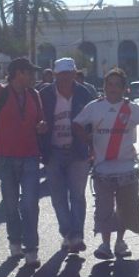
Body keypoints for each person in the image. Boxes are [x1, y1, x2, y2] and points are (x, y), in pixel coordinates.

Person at [73, 68, 139, 260]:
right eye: (108, 84)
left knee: (125, 206)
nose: (112, 88)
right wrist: (87, 139)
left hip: (126, 166)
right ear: (104, 87)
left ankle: (120, 242)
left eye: (116, 85)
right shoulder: (94, 107)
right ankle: (105, 244)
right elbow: (77, 123)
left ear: (123, 88)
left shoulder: (131, 108)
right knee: (104, 207)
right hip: (102, 167)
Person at [0, 49, 48, 268]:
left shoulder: (34, 95)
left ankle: (32, 249)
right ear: (18, 73)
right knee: (10, 204)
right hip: (6, 157)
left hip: (30, 157)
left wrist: (42, 126)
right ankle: (15, 242)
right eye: (30, 73)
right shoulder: (0, 92)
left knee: (29, 204)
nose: (33, 77)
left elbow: (41, 121)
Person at [39, 57, 95, 254]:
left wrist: (93, 145)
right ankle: (67, 233)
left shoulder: (84, 93)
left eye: (68, 74)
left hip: (77, 150)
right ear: (55, 75)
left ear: (74, 74)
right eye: (61, 75)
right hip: (53, 151)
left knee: (78, 195)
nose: (65, 78)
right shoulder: (44, 94)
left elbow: (93, 120)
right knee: (58, 197)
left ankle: (77, 235)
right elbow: (36, 118)